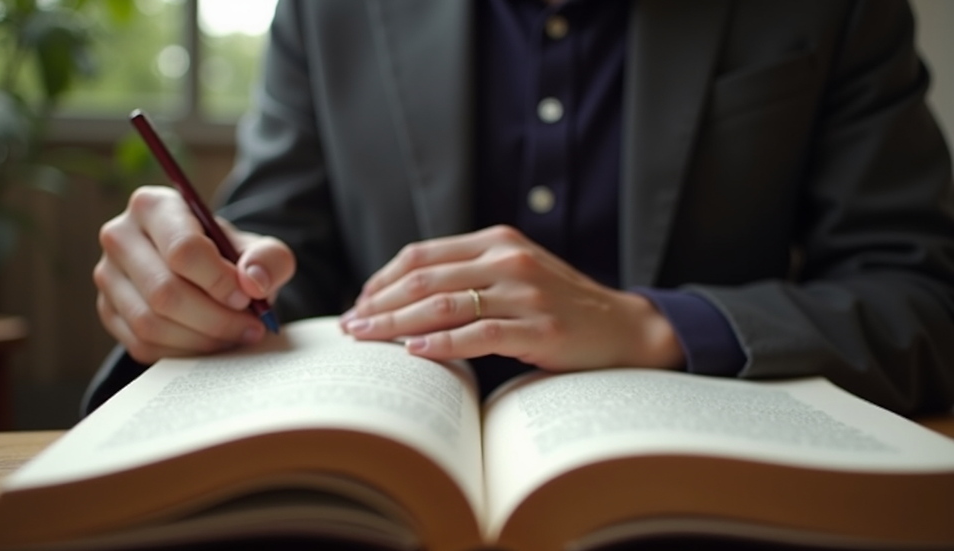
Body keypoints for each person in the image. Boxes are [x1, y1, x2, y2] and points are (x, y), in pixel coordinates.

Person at [85, 0, 954, 417]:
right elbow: (280, 257)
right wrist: (202, 291)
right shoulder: (327, 11)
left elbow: (923, 298)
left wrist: (656, 324)